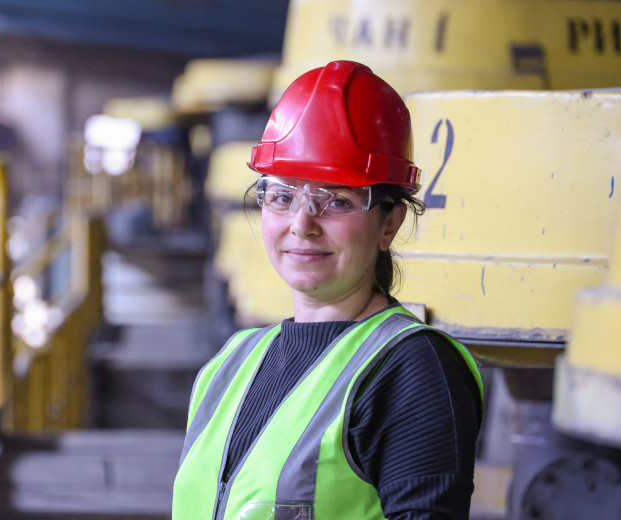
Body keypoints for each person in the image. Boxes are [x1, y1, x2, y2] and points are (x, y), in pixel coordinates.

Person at [173, 60, 483, 520]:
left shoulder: (412, 370)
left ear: (390, 224)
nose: (302, 224)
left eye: (337, 200)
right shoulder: (229, 364)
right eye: (283, 196)